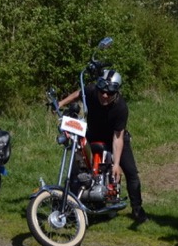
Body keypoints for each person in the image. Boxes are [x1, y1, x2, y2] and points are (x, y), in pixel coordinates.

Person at [58, 69, 147, 223]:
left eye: (110, 93)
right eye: (102, 91)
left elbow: (118, 137)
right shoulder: (92, 91)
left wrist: (116, 164)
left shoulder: (121, 107)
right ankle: (71, 207)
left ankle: (137, 209)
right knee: (75, 167)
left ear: (116, 92)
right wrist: (61, 103)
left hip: (115, 137)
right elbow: (79, 93)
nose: (105, 95)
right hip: (92, 134)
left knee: (131, 173)